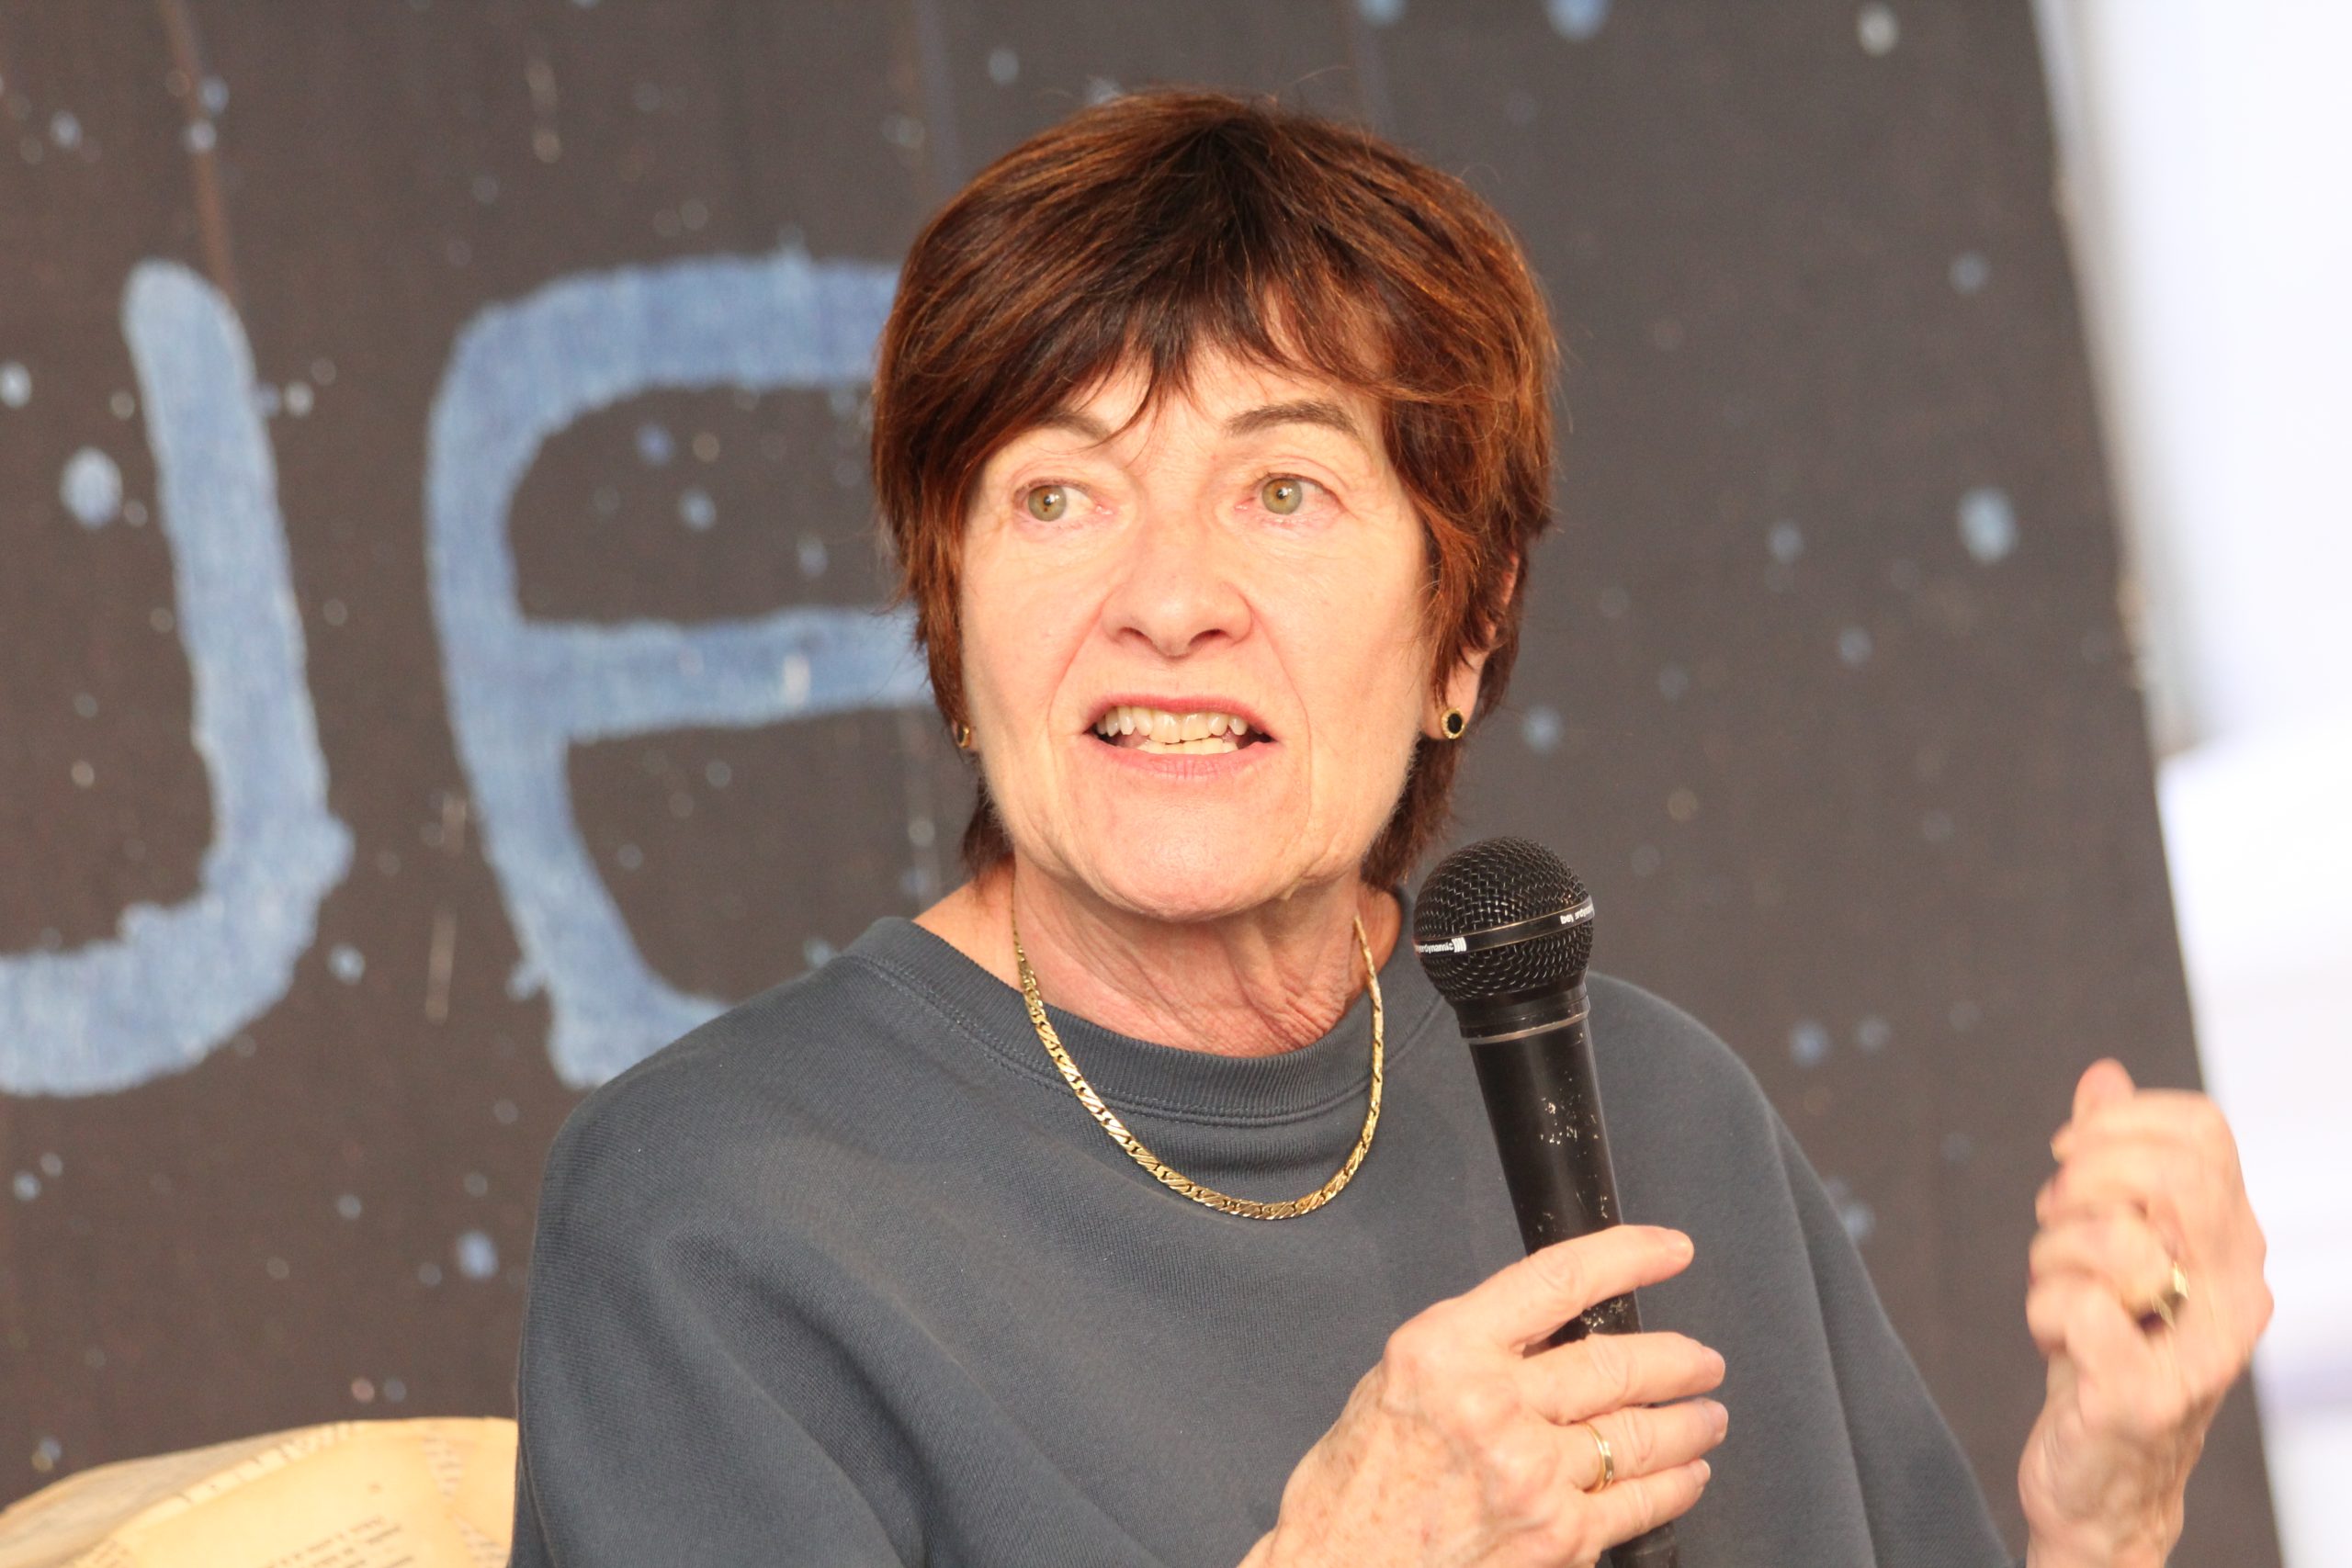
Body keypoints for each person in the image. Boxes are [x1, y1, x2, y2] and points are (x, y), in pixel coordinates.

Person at [504, 87, 2269, 1568]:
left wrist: (2106, 1517)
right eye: (1058, 494)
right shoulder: (720, 1216)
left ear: (1465, 623)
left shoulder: (1660, 1112)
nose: (1169, 599)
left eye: (1283, 489)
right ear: (949, 615)